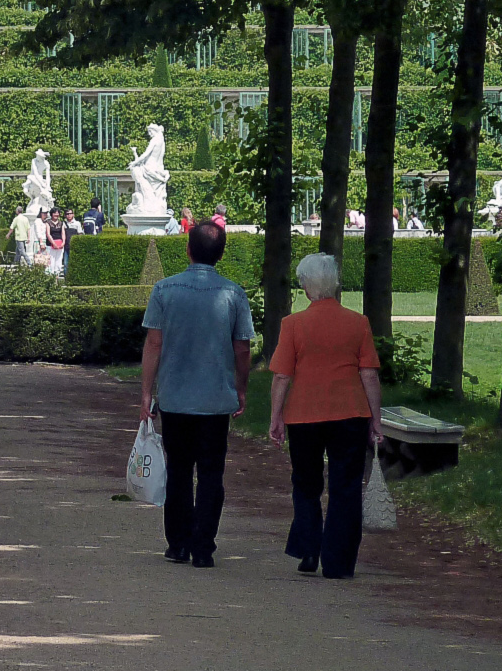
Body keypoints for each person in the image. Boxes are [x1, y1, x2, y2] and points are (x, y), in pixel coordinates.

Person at [139, 220, 254, 568]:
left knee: (178, 470)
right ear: (220, 254)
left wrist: (146, 391)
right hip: (215, 399)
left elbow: (154, 343)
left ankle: (178, 543)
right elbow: (243, 348)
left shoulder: (163, 290)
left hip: (175, 396)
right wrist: (242, 387)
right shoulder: (233, 293)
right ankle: (204, 545)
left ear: (188, 249)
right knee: (211, 474)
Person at [268, 254, 383, 579]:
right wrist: (375, 419)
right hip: (350, 413)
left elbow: (281, 377)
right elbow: (369, 375)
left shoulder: (292, 325)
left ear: (305, 287)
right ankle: (339, 562)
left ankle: (308, 548)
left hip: (304, 415)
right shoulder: (358, 323)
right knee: (346, 487)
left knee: (306, 484)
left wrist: (276, 416)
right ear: (334, 283)